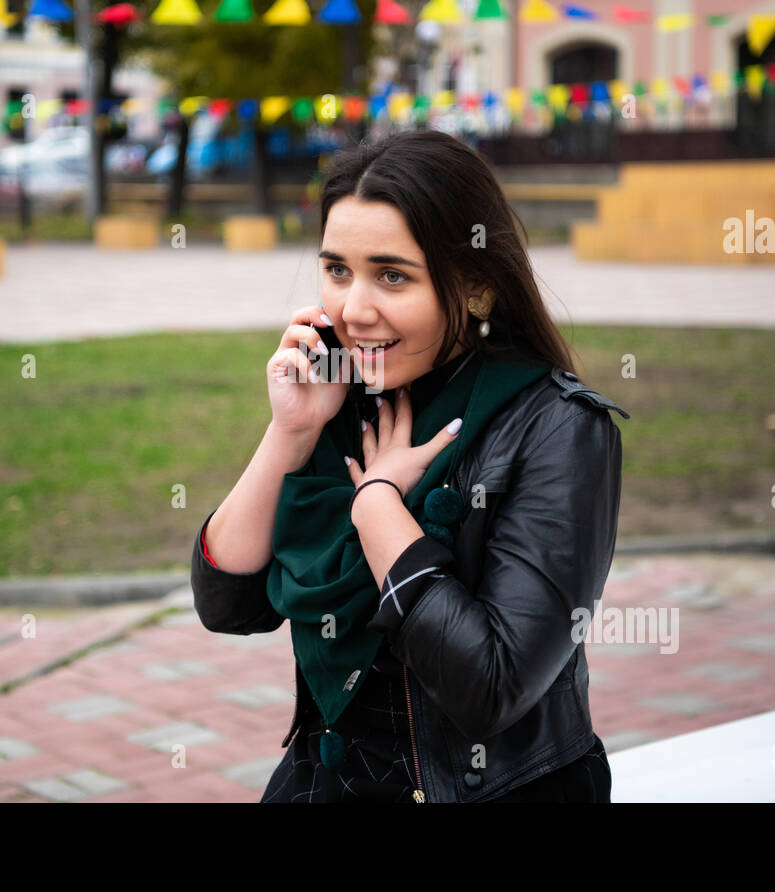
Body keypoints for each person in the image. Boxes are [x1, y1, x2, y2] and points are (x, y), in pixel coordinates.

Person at [191, 129, 628, 802]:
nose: (354, 309)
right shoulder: (347, 395)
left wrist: (376, 509)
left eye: (392, 276)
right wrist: (291, 431)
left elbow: (491, 684)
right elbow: (227, 604)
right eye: (337, 270)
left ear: (477, 285)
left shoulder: (558, 427)